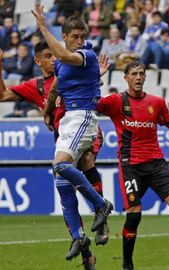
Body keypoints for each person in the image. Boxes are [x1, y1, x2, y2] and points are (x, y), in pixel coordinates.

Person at [0, 41, 110, 269]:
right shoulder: (35, 85)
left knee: (87, 160)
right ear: (38, 61)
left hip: (85, 130)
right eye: (48, 56)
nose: (54, 59)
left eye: (54, 55)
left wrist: (97, 74)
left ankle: (101, 218)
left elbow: (91, 82)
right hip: (63, 138)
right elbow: (3, 95)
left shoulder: (67, 70)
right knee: (64, 191)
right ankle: (84, 250)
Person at [96, 61, 169, 270]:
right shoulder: (115, 102)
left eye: (142, 73)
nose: (138, 77)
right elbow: (93, 102)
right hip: (131, 165)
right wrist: (96, 78)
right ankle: (127, 264)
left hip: (156, 164)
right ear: (126, 78)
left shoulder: (156, 102)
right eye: (134, 74)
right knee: (134, 215)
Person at [32, 4, 113, 261]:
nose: (80, 40)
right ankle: (78, 236)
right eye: (75, 36)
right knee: (61, 181)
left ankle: (101, 205)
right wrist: (47, 109)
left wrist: (43, 27)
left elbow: (65, 58)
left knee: (61, 166)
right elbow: (57, 82)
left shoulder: (86, 54)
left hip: (84, 116)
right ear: (65, 37)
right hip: (68, 120)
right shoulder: (61, 65)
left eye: (82, 35)